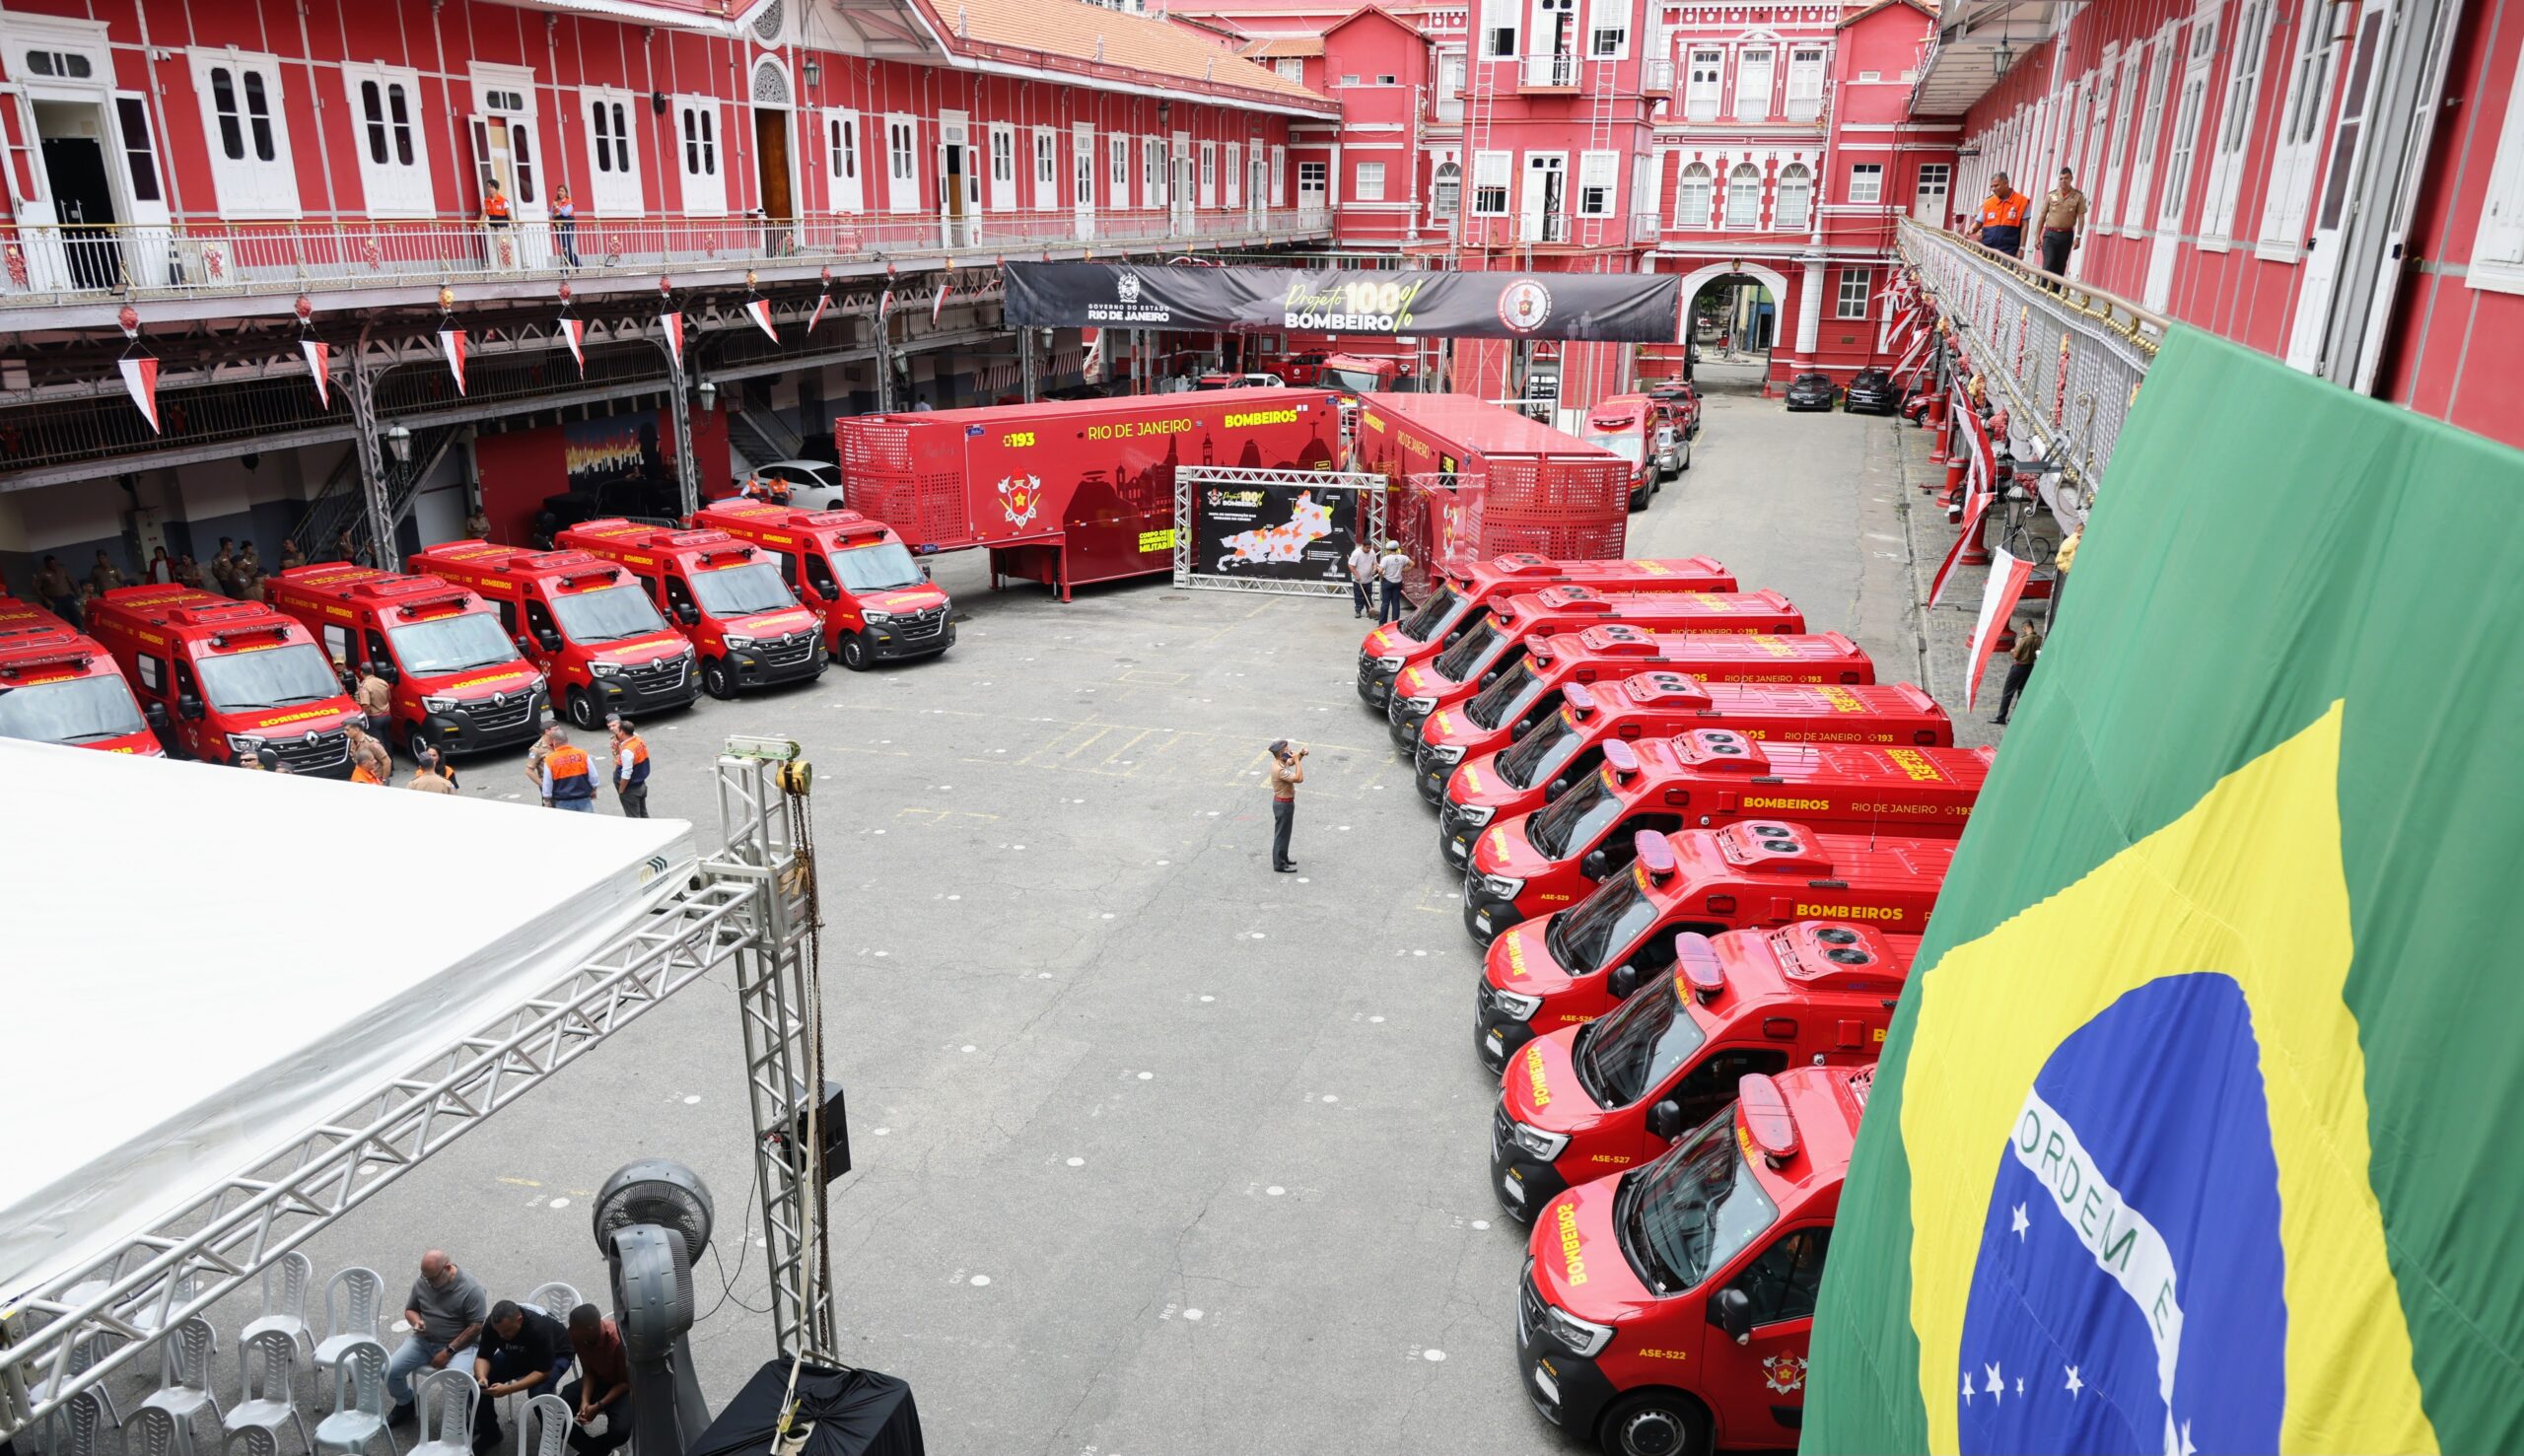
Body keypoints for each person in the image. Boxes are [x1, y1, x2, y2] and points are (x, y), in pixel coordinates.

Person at [386, 1250, 487, 1421]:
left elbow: (476, 1327)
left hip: (460, 1347)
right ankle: (406, 1402)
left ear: (447, 1268)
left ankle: (464, 1420)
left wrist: (448, 1351)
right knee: (390, 1370)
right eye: (425, 1278)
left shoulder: (471, 1289)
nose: (429, 1283)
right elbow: (411, 1310)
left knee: (455, 1381)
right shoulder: (424, 1281)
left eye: (432, 1279)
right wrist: (416, 1322)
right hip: (423, 1341)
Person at [468, 1299, 572, 1455]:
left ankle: (552, 1440)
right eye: (499, 1332)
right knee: (477, 1385)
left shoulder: (539, 1328)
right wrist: (482, 1377)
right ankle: (490, 1434)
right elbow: (483, 1356)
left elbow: (543, 1371)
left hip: (556, 1355)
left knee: (538, 1394)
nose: (502, 1336)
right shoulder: (493, 1325)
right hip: (519, 1354)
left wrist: (508, 1389)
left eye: (507, 1331)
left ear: (519, 1320)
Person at [560, 1304, 632, 1455]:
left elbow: (625, 1383)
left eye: (574, 1328)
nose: (570, 1331)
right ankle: (592, 1451)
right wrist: (585, 1401)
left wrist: (598, 1406)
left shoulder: (617, 1342)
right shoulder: (577, 1336)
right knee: (556, 1412)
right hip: (598, 1379)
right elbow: (588, 1372)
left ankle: (592, 1452)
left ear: (590, 1329)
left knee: (621, 1431)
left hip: (622, 1388)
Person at [2039, 168, 2088, 280]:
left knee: (2060, 266)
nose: (2063, 181)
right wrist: (2037, 236)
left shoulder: (2078, 196)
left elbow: (2081, 218)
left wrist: (2078, 237)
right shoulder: (2051, 195)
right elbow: (2042, 216)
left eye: (2066, 178)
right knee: (2048, 263)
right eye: (2061, 178)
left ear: (2071, 179)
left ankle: (2054, 294)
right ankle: (2043, 291)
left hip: (2066, 236)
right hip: (2050, 234)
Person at [1266, 738, 1305, 873]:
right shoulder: (1279, 770)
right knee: (1281, 835)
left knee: (1285, 833)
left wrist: (1300, 755)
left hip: (1285, 803)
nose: (1289, 751)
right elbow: (1299, 778)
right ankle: (1279, 864)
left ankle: (1284, 858)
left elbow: (1291, 761)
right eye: (1287, 750)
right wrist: (1298, 761)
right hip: (1283, 805)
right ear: (1281, 753)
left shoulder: (1281, 762)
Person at [1993, 617, 2043, 725]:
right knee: (2022, 692)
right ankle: (2016, 716)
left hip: (2019, 667)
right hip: (2029, 667)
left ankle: (2001, 717)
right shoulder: (2039, 639)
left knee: (2008, 692)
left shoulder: (2023, 639)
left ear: (2025, 627)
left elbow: (2016, 655)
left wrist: (2012, 651)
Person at [1974, 173, 2030, 259]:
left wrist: (2022, 248)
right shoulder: (1988, 202)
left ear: (2006, 183)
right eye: (1991, 186)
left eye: (1996, 186)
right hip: (1987, 247)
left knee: (2004, 272)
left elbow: (2025, 226)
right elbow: (1978, 223)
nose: (1993, 189)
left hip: (2009, 250)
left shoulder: (2021, 201)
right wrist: (1971, 230)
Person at [544, 728, 597, 812]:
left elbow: (547, 783)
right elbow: (593, 775)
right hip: (583, 798)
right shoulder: (582, 754)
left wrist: (547, 800)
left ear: (554, 742)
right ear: (567, 739)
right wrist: (594, 789)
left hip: (563, 801)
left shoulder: (550, 760)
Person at [609, 716, 650, 818]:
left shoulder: (628, 751)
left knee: (634, 819)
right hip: (640, 784)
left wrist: (622, 790)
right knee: (643, 814)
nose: (615, 733)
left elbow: (626, 774)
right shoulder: (637, 740)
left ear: (622, 732)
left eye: (617, 731)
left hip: (630, 789)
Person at [32, 555, 79, 624]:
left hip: (67, 597)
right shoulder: (42, 573)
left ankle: (79, 630)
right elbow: (37, 588)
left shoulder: (62, 569)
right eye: (50, 564)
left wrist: (76, 593)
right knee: (60, 618)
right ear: (46, 564)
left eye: (54, 563)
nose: (53, 565)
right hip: (54, 599)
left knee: (74, 615)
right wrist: (46, 599)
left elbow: (71, 581)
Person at [1375, 540, 1412, 625]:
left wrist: (1382, 577)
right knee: (1396, 603)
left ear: (1388, 549)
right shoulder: (1403, 557)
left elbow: (1380, 571)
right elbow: (1412, 564)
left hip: (1387, 582)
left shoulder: (1386, 559)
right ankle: (1394, 623)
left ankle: (1382, 623)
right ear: (1396, 549)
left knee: (1385, 603)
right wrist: (1403, 570)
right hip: (1398, 582)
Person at [355, 662, 393, 741]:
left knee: (378, 742)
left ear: (361, 673)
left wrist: (365, 716)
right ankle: (390, 754)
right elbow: (389, 698)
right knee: (388, 740)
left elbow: (366, 705)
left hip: (375, 719)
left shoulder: (364, 686)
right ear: (372, 671)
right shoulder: (383, 682)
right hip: (387, 716)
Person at [527, 724, 562, 807]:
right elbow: (529, 771)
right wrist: (543, 785)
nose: (559, 731)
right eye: (556, 729)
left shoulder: (559, 741)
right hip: (550, 784)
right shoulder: (536, 749)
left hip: (562, 781)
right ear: (547, 731)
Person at [553, 184, 582, 269]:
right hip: (559, 226)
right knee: (563, 248)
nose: (560, 192)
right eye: (559, 191)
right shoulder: (555, 202)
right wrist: (552, 211)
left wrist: (558, 207)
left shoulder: (569, 202)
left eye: (562, 191)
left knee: (567, 248)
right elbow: (552, 214)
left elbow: (566, 213)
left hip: (568, 226)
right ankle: (565, 269)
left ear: (566, 193)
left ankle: (577, 266)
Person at [1346, 539, 1376, 619]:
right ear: (1363, 546)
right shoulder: (1356, 553)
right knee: (1358, 597)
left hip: (1368, 579)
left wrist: (1374, 569)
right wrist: (1356, 574)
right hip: (1358, 580)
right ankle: (1358, 611)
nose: (1369, 549)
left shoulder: (1372, 552)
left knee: (1368, 596)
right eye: (1367, 548)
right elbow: (1351, 565)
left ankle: (1369, 611)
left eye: (1370, 547)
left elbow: (1374, 563)